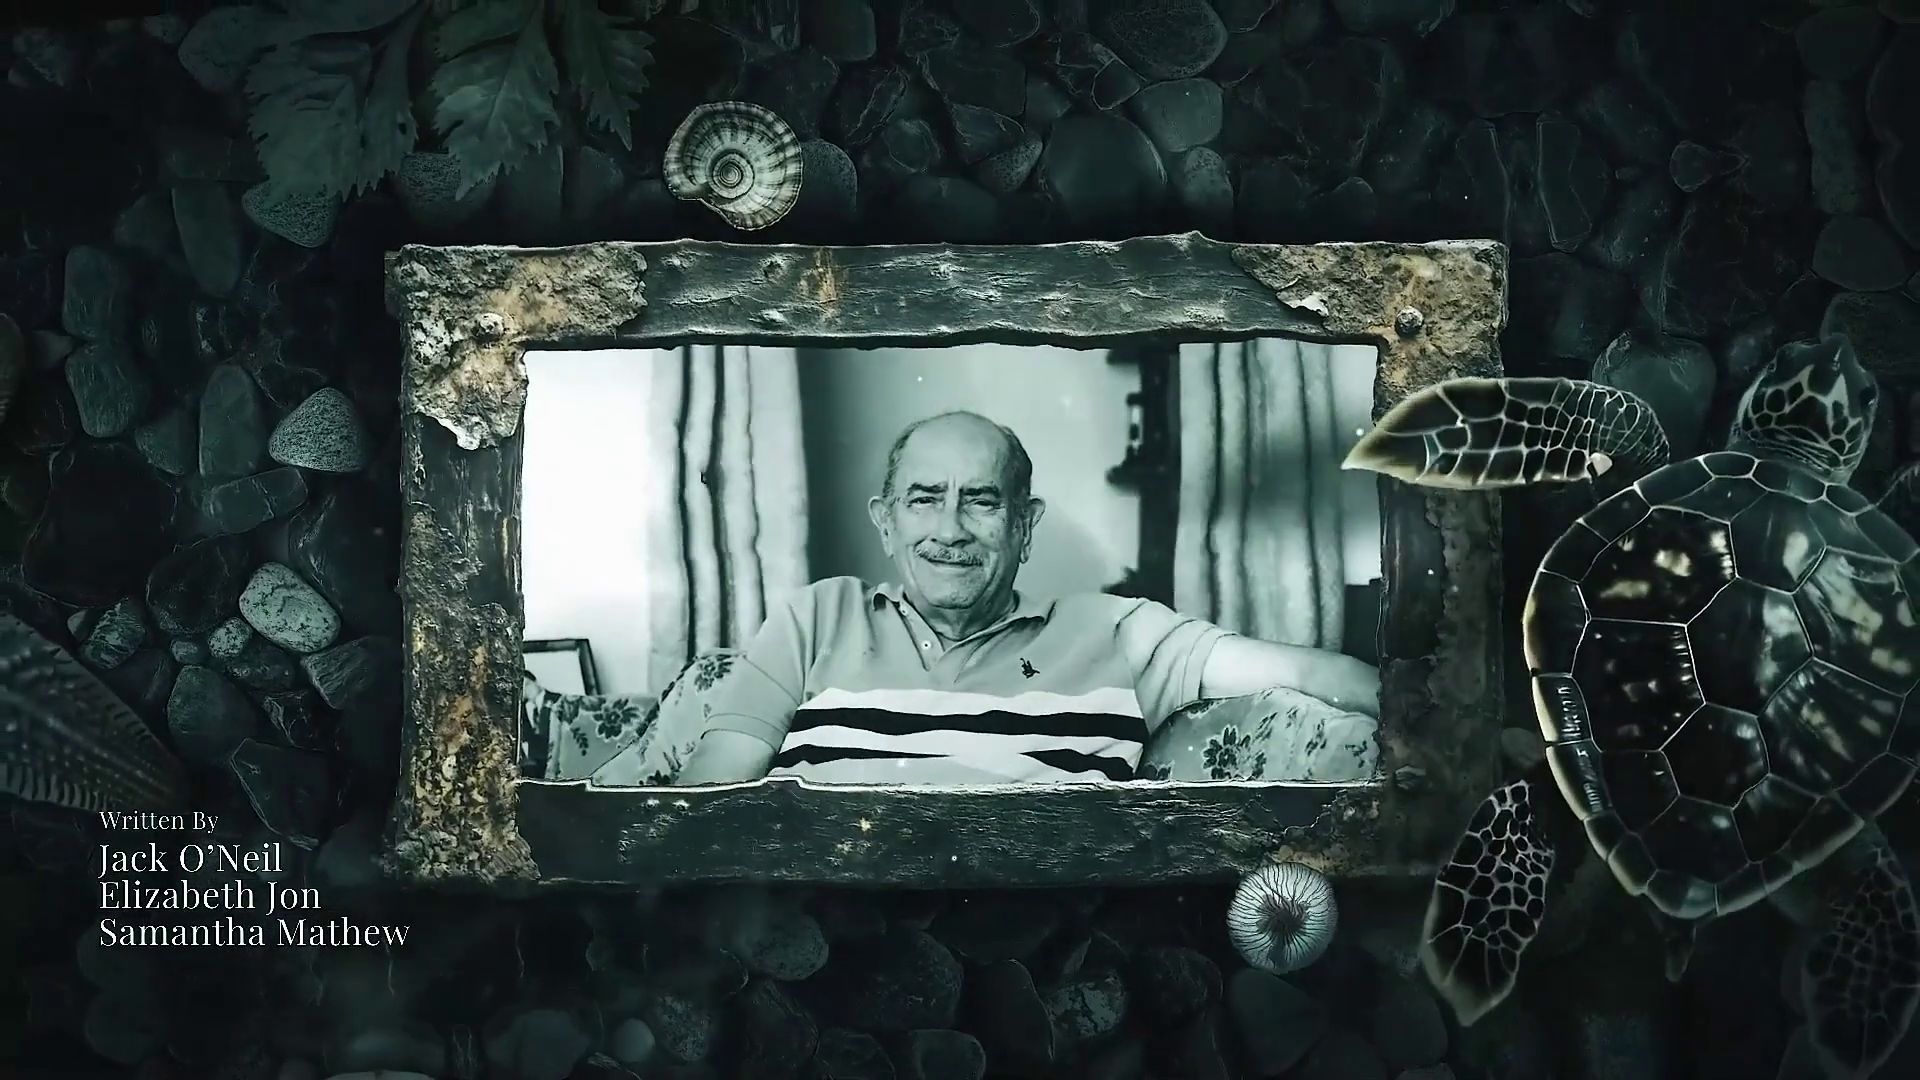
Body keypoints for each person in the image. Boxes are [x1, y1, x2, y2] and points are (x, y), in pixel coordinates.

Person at [677, 411, 1381, 786]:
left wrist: (1436, 728)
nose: (950, 530)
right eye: (924, 500)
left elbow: (1308, 672)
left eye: (981, 501)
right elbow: (708, 800)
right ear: (885, 522)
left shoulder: (1117, 633)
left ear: (1024, 525)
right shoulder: (814, 618)